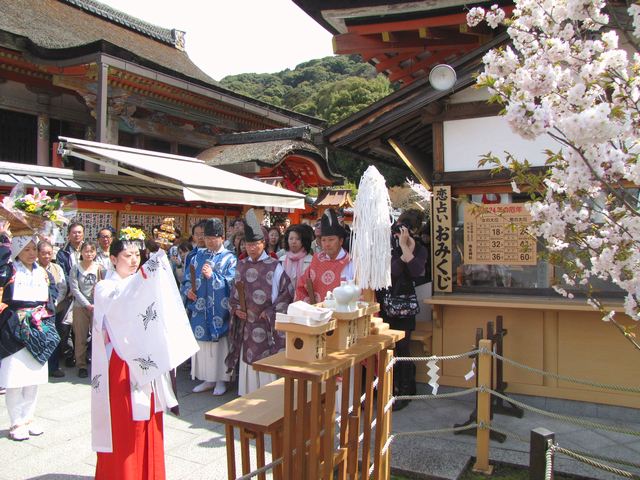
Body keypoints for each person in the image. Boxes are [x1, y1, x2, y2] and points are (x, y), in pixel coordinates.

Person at [92, 227, 198, 479]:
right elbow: (124, 300)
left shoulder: (139, 280)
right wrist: (150, 268)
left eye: (136, 255)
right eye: (126, 255)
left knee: (147, 420)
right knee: (124, 424)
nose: (133, 260)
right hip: (120, 362)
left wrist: (158, 261)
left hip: (148, 363)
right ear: (113, 259)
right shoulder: (105, 287)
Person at [0, 223, 59, 441]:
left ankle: (29, 417)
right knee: (15, 378)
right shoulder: (9, 269)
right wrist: (4, 242)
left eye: (34, 248)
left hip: (38, 325)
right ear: (16, 249)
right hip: (15, 326)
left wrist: (45, 312)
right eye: (26, 249)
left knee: (33, 378)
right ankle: (16, 421)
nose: (32, 253)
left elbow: (52, 292)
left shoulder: (43, 272)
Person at [225, 209, 293, 395]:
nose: (251, 248)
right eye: (248, 244)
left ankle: (267, 399)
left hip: (266, 323)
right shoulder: (241, 264)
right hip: (246, 322)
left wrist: (270, 312)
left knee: (266, 362)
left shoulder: (275, 266)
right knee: (248, 361)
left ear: (263, 243)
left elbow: (287, 294)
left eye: (255, 244)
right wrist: (236, 308)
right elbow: (233, 293)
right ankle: (246, 396)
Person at [379, 210, 428, 411]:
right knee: (387, 348)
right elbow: (392, 272)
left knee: (403, 348)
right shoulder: (388, 247)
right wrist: (400, 251)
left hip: (405, 308)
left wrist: (407, 248)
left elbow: (417, 271)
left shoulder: (420, 249)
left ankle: (405, 390)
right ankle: (391, 387)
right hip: (386, 304)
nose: (401, 232)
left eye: (406, 228)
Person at [183, 219, 236, 395]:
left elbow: (232, 282)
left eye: (214, 238)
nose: (210, 241)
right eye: (207, 238)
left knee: (219, 346)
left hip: (219, 311)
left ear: (222, 237)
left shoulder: (230, 258)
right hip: (199, 307)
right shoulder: (198, 256)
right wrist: (188, 291)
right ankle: (207, 378)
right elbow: (186, 279)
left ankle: (221, 380)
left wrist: (213, 276)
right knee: (203, 346)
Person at [295, 208, 354, 303]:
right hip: (317, 315)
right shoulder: (316, 260)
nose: (327, 244)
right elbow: (301, 287)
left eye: (331, 240)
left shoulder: (351, 262)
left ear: (341, 241)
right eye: (323, 240)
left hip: (343, 315)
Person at [69, 241, 103, 378]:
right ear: (81, 253)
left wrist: (97, 303)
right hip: (80, 307)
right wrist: (86, 304)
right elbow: (74, 289)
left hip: (97, 307)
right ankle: (81, 364)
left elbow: (104, 286)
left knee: (98, 337)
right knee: (81, 337)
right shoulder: (75, 268)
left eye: (92, 251)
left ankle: (97, 364)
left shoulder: (100, 268)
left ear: (95, 253)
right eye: (86, 251)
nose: (89, 254)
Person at [36, 240, 67, 378]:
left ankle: (53, 367)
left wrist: (54, 302)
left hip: (54, 309)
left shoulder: (56, 268)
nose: (46, 256)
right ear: (38, 254)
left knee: (53, 338)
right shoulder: (33, 268)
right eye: (43, 253)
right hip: (36, 310)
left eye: (49, 253)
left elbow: (62, 288)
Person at [55, 221, 84, 367]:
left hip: (85, 294)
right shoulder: (62, 252)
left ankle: (82, 355)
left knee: (82, 328)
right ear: (68, 235)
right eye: (74, 232)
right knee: (65, 326)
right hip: (69, 294)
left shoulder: (89, 249)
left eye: (79, 232)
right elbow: (62, 272)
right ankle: (68, 354)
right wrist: (73, 288)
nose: (76, 235)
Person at [280, 224, 313, 290]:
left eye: (298, 239)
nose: (294, 242)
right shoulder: (281, 261)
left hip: (304, 298)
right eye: (291, 239)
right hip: (285, 298)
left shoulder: (311, 261)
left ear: (304, 241)